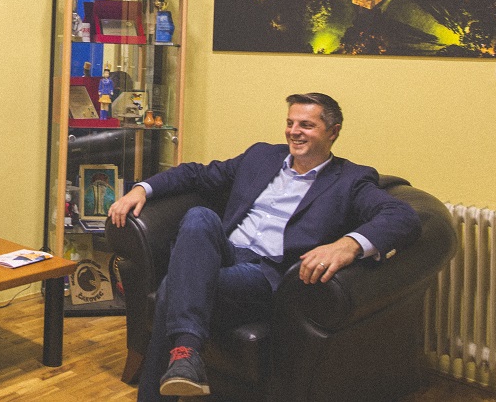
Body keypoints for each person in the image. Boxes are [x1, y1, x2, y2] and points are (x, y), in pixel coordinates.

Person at [107, 93, 421, 400]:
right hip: (226, 252)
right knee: (200, 216)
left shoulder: (350, 179)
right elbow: (197, 174)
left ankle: (183, 353)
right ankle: (186, 357)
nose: (294, 132)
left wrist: (348, 244)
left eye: (306, 125)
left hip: (266, 272)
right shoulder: (262, 156)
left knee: (173, 286)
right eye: (290, 123)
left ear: (333, 132)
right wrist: (142, 189)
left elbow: (401, 215)